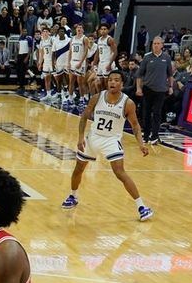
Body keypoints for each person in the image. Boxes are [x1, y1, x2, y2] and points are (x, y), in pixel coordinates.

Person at [61, 70, 152, 221]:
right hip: (93, 137)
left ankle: (142, 207)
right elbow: (84, 117)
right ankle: (73, 196)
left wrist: (141, 144)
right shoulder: (97, 97)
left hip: (111, 140)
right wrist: (80, 137)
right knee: (78, 169)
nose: (112, 82)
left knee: (119, 172)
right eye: (110, 80)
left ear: (122, 84)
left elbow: (135, 125)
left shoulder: (128, 103)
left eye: (116, 80)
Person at [135, 36, 174, 146]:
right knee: (146, 112)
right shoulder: (147, 57)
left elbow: (170, 74)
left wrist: (170, 86)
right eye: (154, 43)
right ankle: (146, 135)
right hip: (148, 89)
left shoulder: (166, 58)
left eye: (158, 43)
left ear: (162, 45)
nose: (156, 45)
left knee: (157, 113)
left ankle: (155, 136)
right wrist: (138, 88)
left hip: (161, 90)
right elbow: (139, 75)